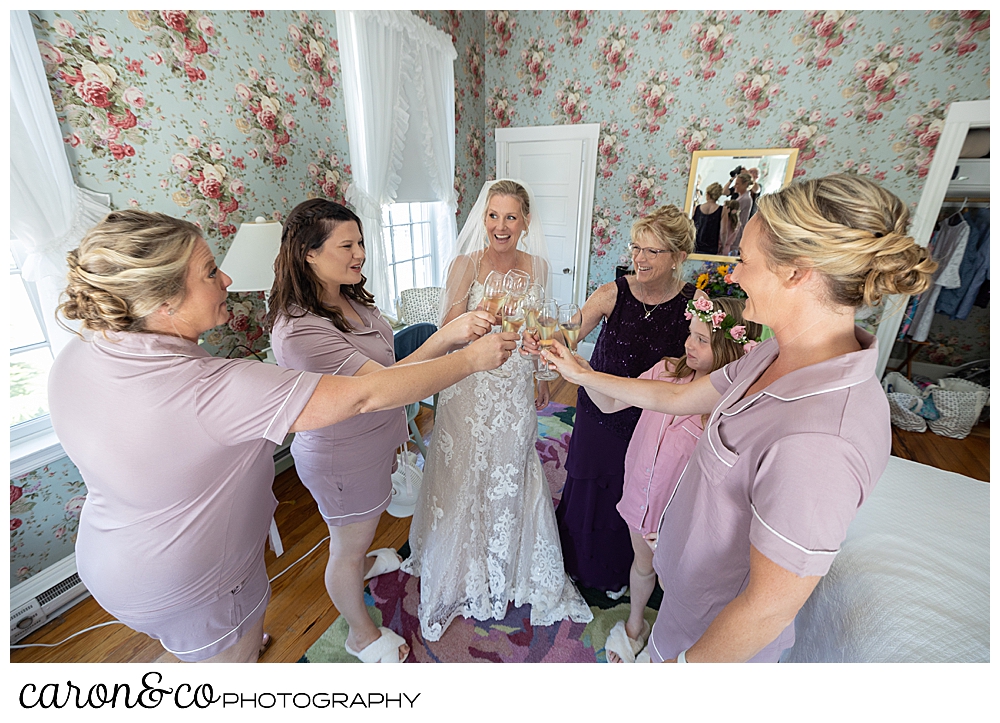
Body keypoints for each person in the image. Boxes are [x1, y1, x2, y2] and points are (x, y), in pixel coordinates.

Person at [48, 210, 516, 663]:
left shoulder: (80, 351)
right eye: (211, 272)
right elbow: (365, 394)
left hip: (111, 553)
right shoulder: (215, 386)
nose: (227, 280)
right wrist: (471, 358)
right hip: (193, 578)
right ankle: (300, 641)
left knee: (212, 648)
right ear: (162, 302)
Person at [542, 174, 936, 662]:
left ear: (797, 272)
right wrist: (582, 374)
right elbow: (679, 397)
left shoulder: (823, 438)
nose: (735, 275)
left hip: (707, 640)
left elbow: (767, 609)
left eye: (745, 260)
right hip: (680, 603)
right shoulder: (772, 353)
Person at [267, 199, 497, 663]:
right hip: (341, 458)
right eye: (347, 245)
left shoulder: (349, 298)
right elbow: (381, 389)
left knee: (363, 531)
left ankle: (368, 561)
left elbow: (392, 372)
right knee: (345, 547)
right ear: (309, 253)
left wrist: (449, 335)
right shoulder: (300, 331)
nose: (360, 254)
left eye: (361, 242)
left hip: (375, 441)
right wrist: (467, 357)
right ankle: (361, 635)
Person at [401, 179, 592, 641]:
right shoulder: (465, 265)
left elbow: (540, 326)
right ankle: (457, 566)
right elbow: (448, 330)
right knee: (461, 471)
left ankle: (506, 563)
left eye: (510, 216)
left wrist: (539, 375)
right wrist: (476, 320)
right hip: (468, 384)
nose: (500, 225)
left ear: (525, 222)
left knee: (509, 468)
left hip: (512, 388)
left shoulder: (539, 267)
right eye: (493, 215)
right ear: (482, 220)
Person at [598, 297, 760, 662]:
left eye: (702, 340)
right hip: (641, 499)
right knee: (641, 567)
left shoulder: (729, 410)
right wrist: (577, 368)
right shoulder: (665, 371)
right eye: (690, 334)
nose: (689, 344)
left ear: (727, 346)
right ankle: (635, 627)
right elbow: (609, 403)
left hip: (682, 522)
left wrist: (677, 528)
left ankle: (669, 649)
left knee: (679, 590)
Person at [549, 205, 697, 595]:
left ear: (679, 257)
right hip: (598, 408)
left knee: (635, 492)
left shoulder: (695, 307)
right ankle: (580, 561)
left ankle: (628, 568)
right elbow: (568, 335)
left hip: (652, 420)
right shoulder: (611, 293)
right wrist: (547, 338)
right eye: (636, 248)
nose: (639, 258)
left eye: (652, 251)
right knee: (588, 483)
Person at [692, 182, 724, 255]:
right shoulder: (722, 210)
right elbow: (723, 231)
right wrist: (722, 246)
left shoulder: (696, 208)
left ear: (707, 194)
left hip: (696, 244)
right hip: (712, 246)